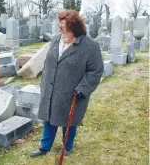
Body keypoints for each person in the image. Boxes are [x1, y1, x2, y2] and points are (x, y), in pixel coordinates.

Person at [30, 10, 104, 157]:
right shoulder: (56, 40)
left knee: (69, 121)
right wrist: (44, 80)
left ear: (73, 27)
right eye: (59, 26)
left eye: (62, 27)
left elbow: (95, 71)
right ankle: (44, 147)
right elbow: (49, 62)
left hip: (72, 92)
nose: (59, 29)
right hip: (50, 89)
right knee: (49, 118)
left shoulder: (89, 46)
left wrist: (82, 89)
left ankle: (67, 147)